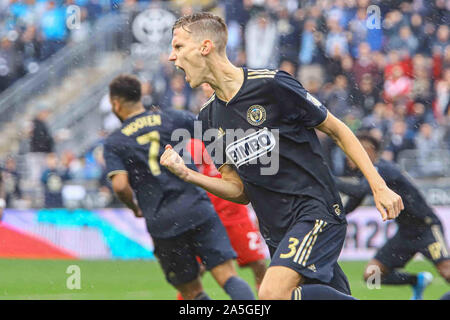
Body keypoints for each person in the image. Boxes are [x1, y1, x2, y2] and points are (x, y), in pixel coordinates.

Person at [161, 12, 403, 300]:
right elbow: (239, 189)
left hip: (315, 212)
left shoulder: (271, 85)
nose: (171, 57)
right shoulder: (207, 118)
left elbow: (337, 129)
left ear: (205, 46)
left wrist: (378, 185)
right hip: (277, 232)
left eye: (178, 47)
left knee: (271, 295)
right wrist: (189, 174)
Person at [103, 74, 255, 300]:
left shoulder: (115, 142)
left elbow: (120, 186)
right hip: (197, 207)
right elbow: (210, 132)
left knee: (192, 292)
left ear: (115, 103)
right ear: (140, 96)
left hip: (163, 221)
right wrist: (227, 169)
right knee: (228, 276)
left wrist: (134, 207)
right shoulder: (171, 118)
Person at [335, 133, 450, 300]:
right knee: (371, 276)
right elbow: (354, 201)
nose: (348, 157)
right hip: (405, 233)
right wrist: (336, 215)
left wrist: (328, 179)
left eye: (350, 151)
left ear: (367, 151)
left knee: (447, 272)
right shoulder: (369, 174)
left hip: (426, 228)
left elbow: (359, 190)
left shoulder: (382, 169)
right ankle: (418, 281)